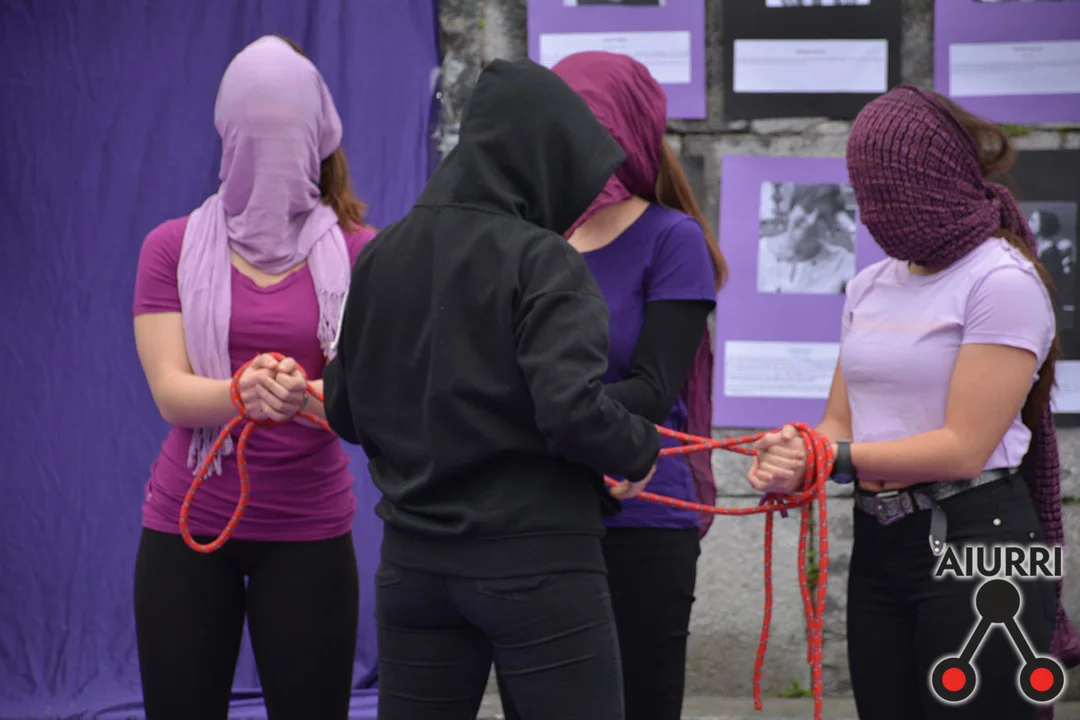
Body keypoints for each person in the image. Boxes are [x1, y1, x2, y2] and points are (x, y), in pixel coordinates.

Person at [322, 58, 661, 720]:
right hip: (538, 564)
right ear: (540, 161)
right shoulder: (541, 259)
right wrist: (637, 447)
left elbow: (344, 408)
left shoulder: (383, 253)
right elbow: (569, 408)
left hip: (415, 565)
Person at [747, 85, 1080, 719]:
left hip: (982, 536)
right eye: (861, 192)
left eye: (885, 191)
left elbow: (963, 449)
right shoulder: (869, 285)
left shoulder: (1001, 281)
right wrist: (795, 456)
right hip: (882, 539)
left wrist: (832, 458)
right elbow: (839, 423)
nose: (872, 211)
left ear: (931, 181)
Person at [131, 36, 376, 720]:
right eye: (253, 133)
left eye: (284, 134)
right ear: (227, 138)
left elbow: (369, 406)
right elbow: (171, 392)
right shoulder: (170, 248)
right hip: (187, 528)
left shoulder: (363, 255)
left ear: (315, 141)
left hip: (309, 531)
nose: (267, 153)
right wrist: (238, 394)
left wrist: (304, 397)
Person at [494, 50, 725, 720]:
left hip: (641, 516)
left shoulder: (671, 239)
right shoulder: (527, 240)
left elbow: (653, 387)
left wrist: (540, 415)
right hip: (538, 510)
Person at [757, 184, 855, 294]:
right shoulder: (758, 253)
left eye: (822, 216)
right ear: (791, 208)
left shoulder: (841, 262)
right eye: (808, 209)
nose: (811, 221)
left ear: (830, 224)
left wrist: (851, 228)